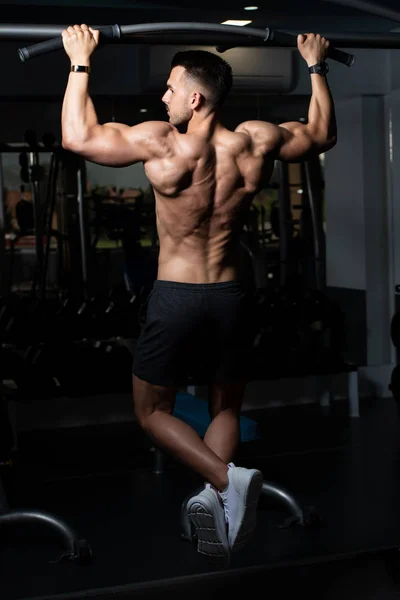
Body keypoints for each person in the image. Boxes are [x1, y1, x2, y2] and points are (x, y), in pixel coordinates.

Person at [61, 24, 336, 560]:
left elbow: (78, 136)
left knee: (149, 411)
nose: (162, 96)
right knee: (226, 401)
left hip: (177, 295)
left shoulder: (162, 143)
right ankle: (222, 501)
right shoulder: (255, 140)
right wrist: (315, 65)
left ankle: (223, 477)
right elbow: (321, 134)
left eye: (169, 88)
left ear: (193, 96)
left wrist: (80, 60)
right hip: (233, 296)